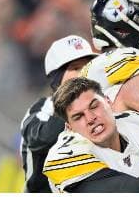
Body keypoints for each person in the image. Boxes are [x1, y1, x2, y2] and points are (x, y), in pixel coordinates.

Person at [20, 36, 99, 192]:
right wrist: (71, 106)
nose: (84, 73)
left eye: (88, 66)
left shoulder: (101, 105)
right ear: (57, 77)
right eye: (76, 68)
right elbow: (42, 137)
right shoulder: (43, 108)